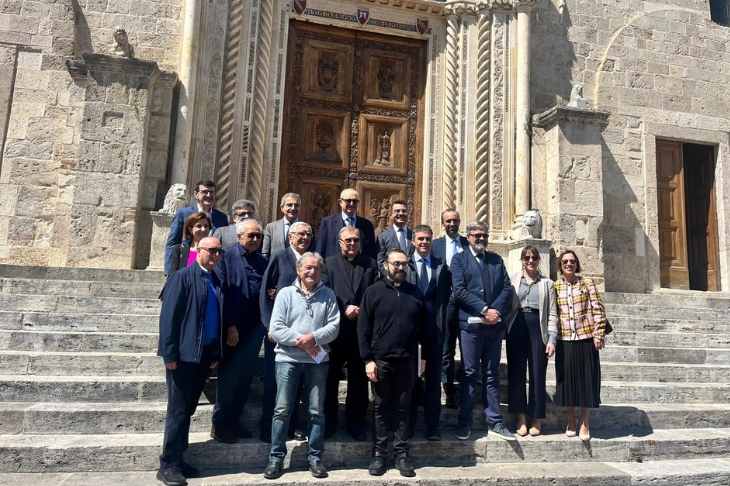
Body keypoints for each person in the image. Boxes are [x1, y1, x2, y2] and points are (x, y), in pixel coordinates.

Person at [263, 252, 340, 480]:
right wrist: (304, 342)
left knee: (316, 411)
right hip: (287, 361)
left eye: (316, 268)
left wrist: (313, 338)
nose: (312, 272)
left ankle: (315, 457)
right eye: (308, 268)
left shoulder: (328, 295)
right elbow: (276, 328)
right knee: (282, 410)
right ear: (298, 270)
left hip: (317, 362)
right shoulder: (286, 294)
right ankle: (276, 457)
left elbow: (334, 327)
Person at [156, 237, 225, 486]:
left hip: (203, 355)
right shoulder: (182, 277)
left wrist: (214, 353)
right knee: (178, 410)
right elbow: (169, 318)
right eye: (212, 250)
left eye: (219, 251)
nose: (216, 255)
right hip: (184, 355)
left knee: (188, 409)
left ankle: (179, 457)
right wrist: (169, 354)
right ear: (199, 251)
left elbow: (215, 319)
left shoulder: (216, 279)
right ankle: (168, 464)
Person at [358, 249, 428, 478]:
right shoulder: (373, 292)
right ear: (385, 265)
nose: (400, 268)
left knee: (402, 407)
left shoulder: (415, 293)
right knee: (381, 408)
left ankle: (401, 454)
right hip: (381, 360)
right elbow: (363, 328)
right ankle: (379, 453)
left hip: (407, 361)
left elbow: (425, 329)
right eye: (396, 264)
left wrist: (423, 358)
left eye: (404, 264)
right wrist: (368, 359)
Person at [450, 221, 515, 441]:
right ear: (468, 237)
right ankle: (464, 422)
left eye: (484, 235)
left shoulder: (496, 260)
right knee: (469, 373)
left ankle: (495, 421)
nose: (481, 239)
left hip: (494, 328)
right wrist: (484, 310)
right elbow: (459, 291)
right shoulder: (459, 260)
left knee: (491, 374)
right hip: (470, 327)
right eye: (477, 235)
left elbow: (506, 287)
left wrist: (494, 311)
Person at [210, 220, 268, 443]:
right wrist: (230, 324)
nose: (255, 239)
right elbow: (221, 292)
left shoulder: (263, 261)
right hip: (234, 326)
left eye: (258, 236)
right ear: (239, 236)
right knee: (230, 376)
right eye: (251, 235)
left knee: (245, 376)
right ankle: (220, 424)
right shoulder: (226, 258)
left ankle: (234, 419)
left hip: (255, 327)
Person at [321, 225, 379, 441]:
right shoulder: (327, 263)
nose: (352, 243)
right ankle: (329, 420)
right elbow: (325, 290)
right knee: (330, 377)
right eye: (348, 240)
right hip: (335, 329)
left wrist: (363, 309)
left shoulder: (370, 263)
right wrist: (344, 306)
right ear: (340, 242)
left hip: (361, 330)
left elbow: (374, 290)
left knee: (358, 378)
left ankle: (355, 422)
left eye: (356, 240)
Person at [259, 221, 314, 442]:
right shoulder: (279, 257)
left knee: (297, 381)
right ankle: (268, 427)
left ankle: (292, 425)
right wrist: (268, 325)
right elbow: (265, 291)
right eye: (300, 234)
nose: (305, 238)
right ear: (290, 236)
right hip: (278, 331)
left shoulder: (312, 259)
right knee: (275, 381)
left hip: (302, 332)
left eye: (308, 234)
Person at [554, 249, 606, 442]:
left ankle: (584, 421)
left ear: (577, 264)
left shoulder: (587, 283)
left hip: (586, 337)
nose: (569, 264)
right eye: (565, 261)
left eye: (572, 261)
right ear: (560, 266)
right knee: (567, 381)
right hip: (565, 338)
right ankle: (571, 420)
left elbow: (598, 309)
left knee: (587, 380)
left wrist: (598, 334)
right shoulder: (555, 286)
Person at [506, 246, 558, 437]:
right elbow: (507, 306)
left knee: (538, 372)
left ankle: (536, 417)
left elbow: (552, 312)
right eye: (527, 257)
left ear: (538, 260)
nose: (530, 261)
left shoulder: (547, 283)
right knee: (516, 372)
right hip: (517, 325)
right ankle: (520, 416)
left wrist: (552, 338)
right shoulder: (513, 280)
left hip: (538, 327)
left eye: (534, 257)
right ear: (521, 260)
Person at [405, 225, 450, 441]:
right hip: (409, 332)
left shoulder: (441, 266)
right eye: (420, 239)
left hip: (434, 331)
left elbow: (446, 296)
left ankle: (433, 427)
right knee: (410, 380)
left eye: (428, 239)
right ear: (413, 241)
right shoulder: (405, 265)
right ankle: (409, 426)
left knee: (433, 380)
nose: (424, 242)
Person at [431, 208, 468, 409]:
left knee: (467, 345)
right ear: (442, 223)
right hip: (444, 302)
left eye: (455, 220)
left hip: (466, 303)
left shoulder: (468, 244)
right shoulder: (435, 245)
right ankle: (448, 387)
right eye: (448, 221)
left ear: (459, 222)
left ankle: (466, 383)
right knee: (446, 346)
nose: (452, 224)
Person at [164, 180, 228, 275]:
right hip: (188, 263)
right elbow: (173, 243)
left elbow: (224, 244)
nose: (209, 195)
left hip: (213, 266)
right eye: (205, 192)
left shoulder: (221, 217)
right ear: (196, 194)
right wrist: (169, 271)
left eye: (212, 192)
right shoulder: (183, 214)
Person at [316, 188, 377, 260]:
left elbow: (372, 253)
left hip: (360, 266)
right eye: (348, 201)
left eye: (355, 201)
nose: (351, 204)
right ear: (340, 202)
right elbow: (320, 249)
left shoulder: (367, 225)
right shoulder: (328, 222)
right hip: (334, 265)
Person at [262, 193, 314, 259]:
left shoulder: (308, 229)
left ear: (300, 208)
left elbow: (311, 253)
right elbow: (265, 253)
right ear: (282, 208)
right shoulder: (271, 227)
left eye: (296, 205)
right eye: (289, 205)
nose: (293, 208)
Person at [167, 212, 212, 277]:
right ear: (190, 229)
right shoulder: (179, 250)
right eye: (199, 226)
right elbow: (172, 275)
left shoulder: (215, 252)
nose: (203, 229)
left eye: (206, 226)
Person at [376, 200, 412, 271]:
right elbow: (380, 261)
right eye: (397, 211)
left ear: (408, 214)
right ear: (390, 215)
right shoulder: (382, 237)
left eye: (404, 211)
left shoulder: (414, 235)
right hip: (391, 276)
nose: (401, 213)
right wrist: (391, 275)